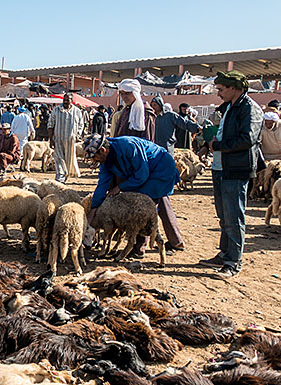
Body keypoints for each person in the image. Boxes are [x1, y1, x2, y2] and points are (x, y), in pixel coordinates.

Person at [198, 71, 263, 279]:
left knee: (234, 216)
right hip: (220, 167)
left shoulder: (250, 109)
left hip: (236, 168)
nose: (218, 93)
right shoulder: (228, 108)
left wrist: (217, 145)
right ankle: (224, 254)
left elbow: (247, 139)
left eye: (221, 89)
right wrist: (208, 147)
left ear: (235, 88)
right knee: (224, 215)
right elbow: (222, 134)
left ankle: (233, 262)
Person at [83, 134, 185, 256]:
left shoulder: (128, 146)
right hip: (146, 172)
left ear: (103, 150)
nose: (96, 161)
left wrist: (120, 187)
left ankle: (137, 248)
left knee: (142, 204)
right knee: (161, 201)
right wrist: (93, 210)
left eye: (95, 157)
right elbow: (102, 185)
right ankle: (176, 241)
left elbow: (142, 174)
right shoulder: (106, 161)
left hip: (160, 169)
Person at [48, 93, 84, 182]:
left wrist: (77, 135)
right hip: (58, 139)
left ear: (72, 101)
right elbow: (50, 124)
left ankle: (65, 176)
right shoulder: (56, 110)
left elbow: (81, 124)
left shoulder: (77, 111)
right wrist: (51, 138)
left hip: (70, 140)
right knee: (59, 158)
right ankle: (60, 177)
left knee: (69, 159)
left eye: (68, 100)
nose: (65, 102)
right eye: (64, 100)